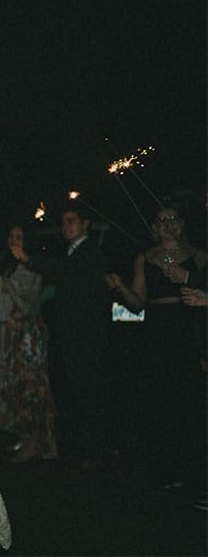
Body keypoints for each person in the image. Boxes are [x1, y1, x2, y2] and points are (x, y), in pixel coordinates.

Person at [105, 204, 206, 489]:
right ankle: (165, 469)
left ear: (181, 224)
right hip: (157, 330)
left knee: (188, 396)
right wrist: (119, 287)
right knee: (159, 398)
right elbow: (137, 302)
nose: (167, 224)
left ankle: (193, 469)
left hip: (186, 326)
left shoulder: (198, 256)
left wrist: (185, 278)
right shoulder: (145, 258)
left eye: (172, 219)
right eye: (161, 220)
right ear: (153, 227)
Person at [12, 204, 112, 474]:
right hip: (72, 334)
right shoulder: (72, 251)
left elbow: (64, 268)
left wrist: (27, 258)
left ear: (85, 224)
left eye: (72, 221)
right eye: (64, 222)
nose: (66, 226)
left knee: (89, 392)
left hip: (85, 336)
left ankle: (98, 453)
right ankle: (89, 449)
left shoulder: (88, 251)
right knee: (79, 391)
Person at [0, 224, 57, 463]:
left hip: (27, 335)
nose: (14, 242)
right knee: (16, 387)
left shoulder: (33, 266)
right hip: (12, 335)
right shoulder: (11, 266)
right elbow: (1, 289)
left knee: (30, 387)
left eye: (19, 238)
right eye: (11, 237)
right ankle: (25, 437)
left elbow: (20, 295)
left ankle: (37, 442)